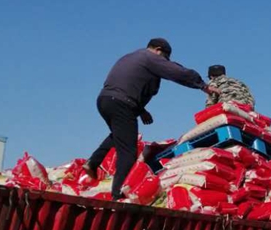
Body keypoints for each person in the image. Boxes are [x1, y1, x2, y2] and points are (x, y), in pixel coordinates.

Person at [86, 39, 217, 201]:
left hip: (105, 100)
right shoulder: (151, 57)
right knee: (128, 152)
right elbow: (177, 72)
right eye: (165, 57)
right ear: (158, 50)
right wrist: (203, 86)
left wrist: (141, 110)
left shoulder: (132, 57)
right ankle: (118, 195)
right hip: (121, 103)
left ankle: (93, 162)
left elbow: (128, 84)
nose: (165, 61)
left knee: (119, 135)